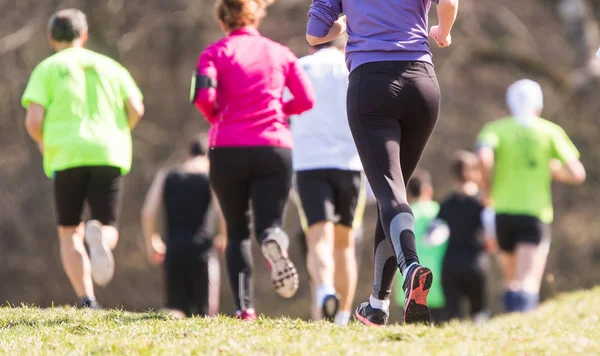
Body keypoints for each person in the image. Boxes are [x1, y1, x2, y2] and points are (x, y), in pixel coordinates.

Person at [306, 0, 459, 326]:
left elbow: (314, 34)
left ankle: (411, 267)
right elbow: (448, 2)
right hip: (422, 84)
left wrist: (346, 26)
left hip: (372, 85)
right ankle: (377, 304)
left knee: (389, 191)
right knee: (393, 193)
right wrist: (442, 32)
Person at [193, 0, 316, 320]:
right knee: (268, 224)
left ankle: (244, 308)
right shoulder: (280, 53)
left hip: (227, 147)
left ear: (223, 20)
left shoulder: (213, 53)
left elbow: (203, 97)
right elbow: (306, 99)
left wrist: (218, 117)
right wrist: (278, 112)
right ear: (256, 16)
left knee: (236, 232)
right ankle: (273, 238)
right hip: (274, 148)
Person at [22, 9, 144, 309]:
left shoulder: (47, 68)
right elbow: (137, 109)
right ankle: (100, 236)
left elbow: (33, 120)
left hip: (66, 154)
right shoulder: (111, 67)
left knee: (69, 231)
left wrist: (42, 143)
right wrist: (118, 132)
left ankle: (87, 298)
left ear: (52, 38)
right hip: (109, 150)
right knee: (107, 224)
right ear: (84, 35)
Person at [477, 79, 586, 312]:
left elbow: (484, 158)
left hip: (502, 212)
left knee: (511, 280)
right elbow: (577, 174)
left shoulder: (495, 129)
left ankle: (510, 329)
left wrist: (487, 192)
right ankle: (522, 329)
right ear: (539, 104)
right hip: (535, 213)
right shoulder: (550, 131)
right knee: (528, 282)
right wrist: (552, 169)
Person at [289, 37, 365, 325]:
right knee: (345, 244)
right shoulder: (353, 67)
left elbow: (283, 109)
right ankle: (343, 317)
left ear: (312, 43)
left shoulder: (299, 66)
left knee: (318, 237)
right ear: (344, 44)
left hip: (308, 163)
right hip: (350, 163)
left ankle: (324, 291)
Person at [141, 138, 225, 318]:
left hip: (174, 251)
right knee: (206, 314)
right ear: (208, 156)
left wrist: (152, 241)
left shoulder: (166, 175)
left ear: (188, 154)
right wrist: (224, 237)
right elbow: (223, 212)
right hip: (202, 253)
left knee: (176, 310)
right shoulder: (211, 177)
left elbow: (148, 212)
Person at [428, 152, 496, 324]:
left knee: (453, 316)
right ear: (475, 172)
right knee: (479, 313)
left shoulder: (447, 203)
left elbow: (431, 236)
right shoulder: (483, 203)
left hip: (450, 264)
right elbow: (491, 236)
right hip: (476, 263)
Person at [394, 169, 447, 325]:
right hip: (438, 284)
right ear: (427, 190)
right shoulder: (438, 211)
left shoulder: (400, 217)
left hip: (408, 287)